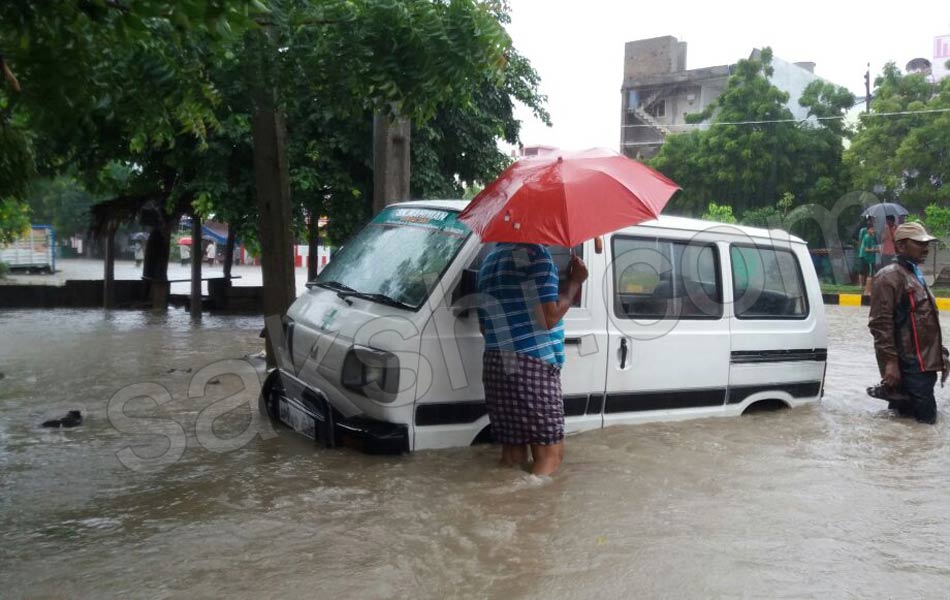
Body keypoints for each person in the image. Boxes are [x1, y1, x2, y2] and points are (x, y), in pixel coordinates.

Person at [477, 244, 588, 476]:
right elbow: (548, 319)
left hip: (496, 363)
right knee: (550, 456)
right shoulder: (537, 257)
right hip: (533, 366)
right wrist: (575, 282)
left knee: (512, 456)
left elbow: (483, 326)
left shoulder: (489, 261)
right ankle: (534, 508)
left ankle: (506, 507)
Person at [868, 222, 949, 424]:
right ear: (901, 246)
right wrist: (891, 363)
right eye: (919, 243)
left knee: (906, 425)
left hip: (922, 365)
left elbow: (923, 323)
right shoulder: (889, 277)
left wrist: (941, 353)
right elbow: (880, 324)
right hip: (909, 366)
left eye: (927, 243)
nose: (926, 248)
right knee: (925, 424)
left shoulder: (914, 275)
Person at [858, 223, 879, 296]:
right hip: (868, 258)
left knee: (869, 274)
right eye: (872, 229)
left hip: (869, 258)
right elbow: (866, 249)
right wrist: (876, 250)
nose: (873, 230)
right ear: (868, 230)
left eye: (874, 229)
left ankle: (867, 290)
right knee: (869, 275)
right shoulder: (867, 237)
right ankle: (867, 291)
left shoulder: (872, 236)